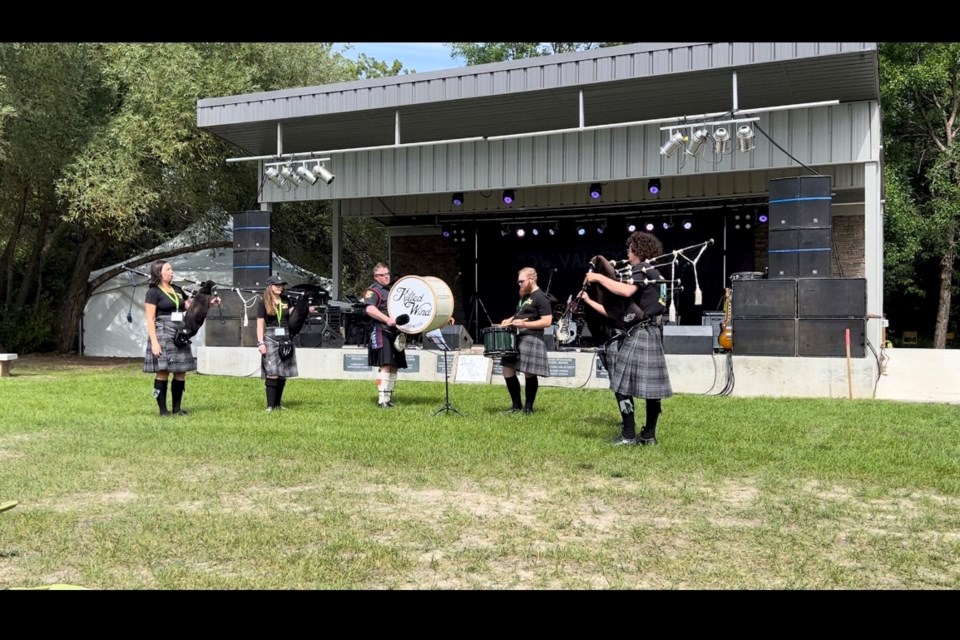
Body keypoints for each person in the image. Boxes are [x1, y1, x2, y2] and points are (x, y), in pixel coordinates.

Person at [581, 231, 672, 446]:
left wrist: (598, 277)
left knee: (620, 384)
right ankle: (649, 436)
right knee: (652, 389)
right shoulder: (656, 273)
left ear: (637, 251)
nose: (627, 254)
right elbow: (621, 309)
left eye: (629, 249)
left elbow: (625, 291)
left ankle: (629, 435)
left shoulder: (642, 269)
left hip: (640, 333)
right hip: (652, 332)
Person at [144, 260, 220, 416]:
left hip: (180, 332)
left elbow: (190, 308)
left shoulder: (177, 290)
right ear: (159, 273)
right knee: (163, 371)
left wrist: (209, 303)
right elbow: (150, 319)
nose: (172, 272)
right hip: (163, 332)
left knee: (181, 371)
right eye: (168, 269)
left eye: (171, 269)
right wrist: (154, 343)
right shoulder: (153, 292)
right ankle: (163, 411)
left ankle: (177, 409)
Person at [499, 267, 552, 414]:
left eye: (522, 281)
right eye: (518, 281)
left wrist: (524, 324)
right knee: (507, 370)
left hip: (531, 337)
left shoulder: (541, 297)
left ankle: (528, 408)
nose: (519, 284)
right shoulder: (524, 296)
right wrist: (510, 319)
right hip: (516, 337)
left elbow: (547, 321)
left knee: (529, 373)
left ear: (532, 279)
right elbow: (520, 314)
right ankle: (516, 406)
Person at [363, 262, 407, 408]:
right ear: (376, 276)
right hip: (382, 331)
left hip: (394, 332)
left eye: (388, 274)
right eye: (383, 275)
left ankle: (388, 398)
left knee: (395, 366)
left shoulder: (390, 290)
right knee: (386, 365)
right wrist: (387, 320)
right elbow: (369, 309)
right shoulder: (373, 291)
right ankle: (382, 400)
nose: (387, 277)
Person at [256, 275, 300, 412]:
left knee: (282, 373)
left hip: (286, 337)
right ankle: (270, 406)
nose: (280, 287)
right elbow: (260, 324)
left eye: (281, 285)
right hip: (270, 337)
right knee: (272, 372)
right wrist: (260, 343)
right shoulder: (263, 303)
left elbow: (295, 317)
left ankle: (277, 405)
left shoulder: (287, 300)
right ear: (270, 287)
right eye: (277, 285)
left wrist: (304, 308)